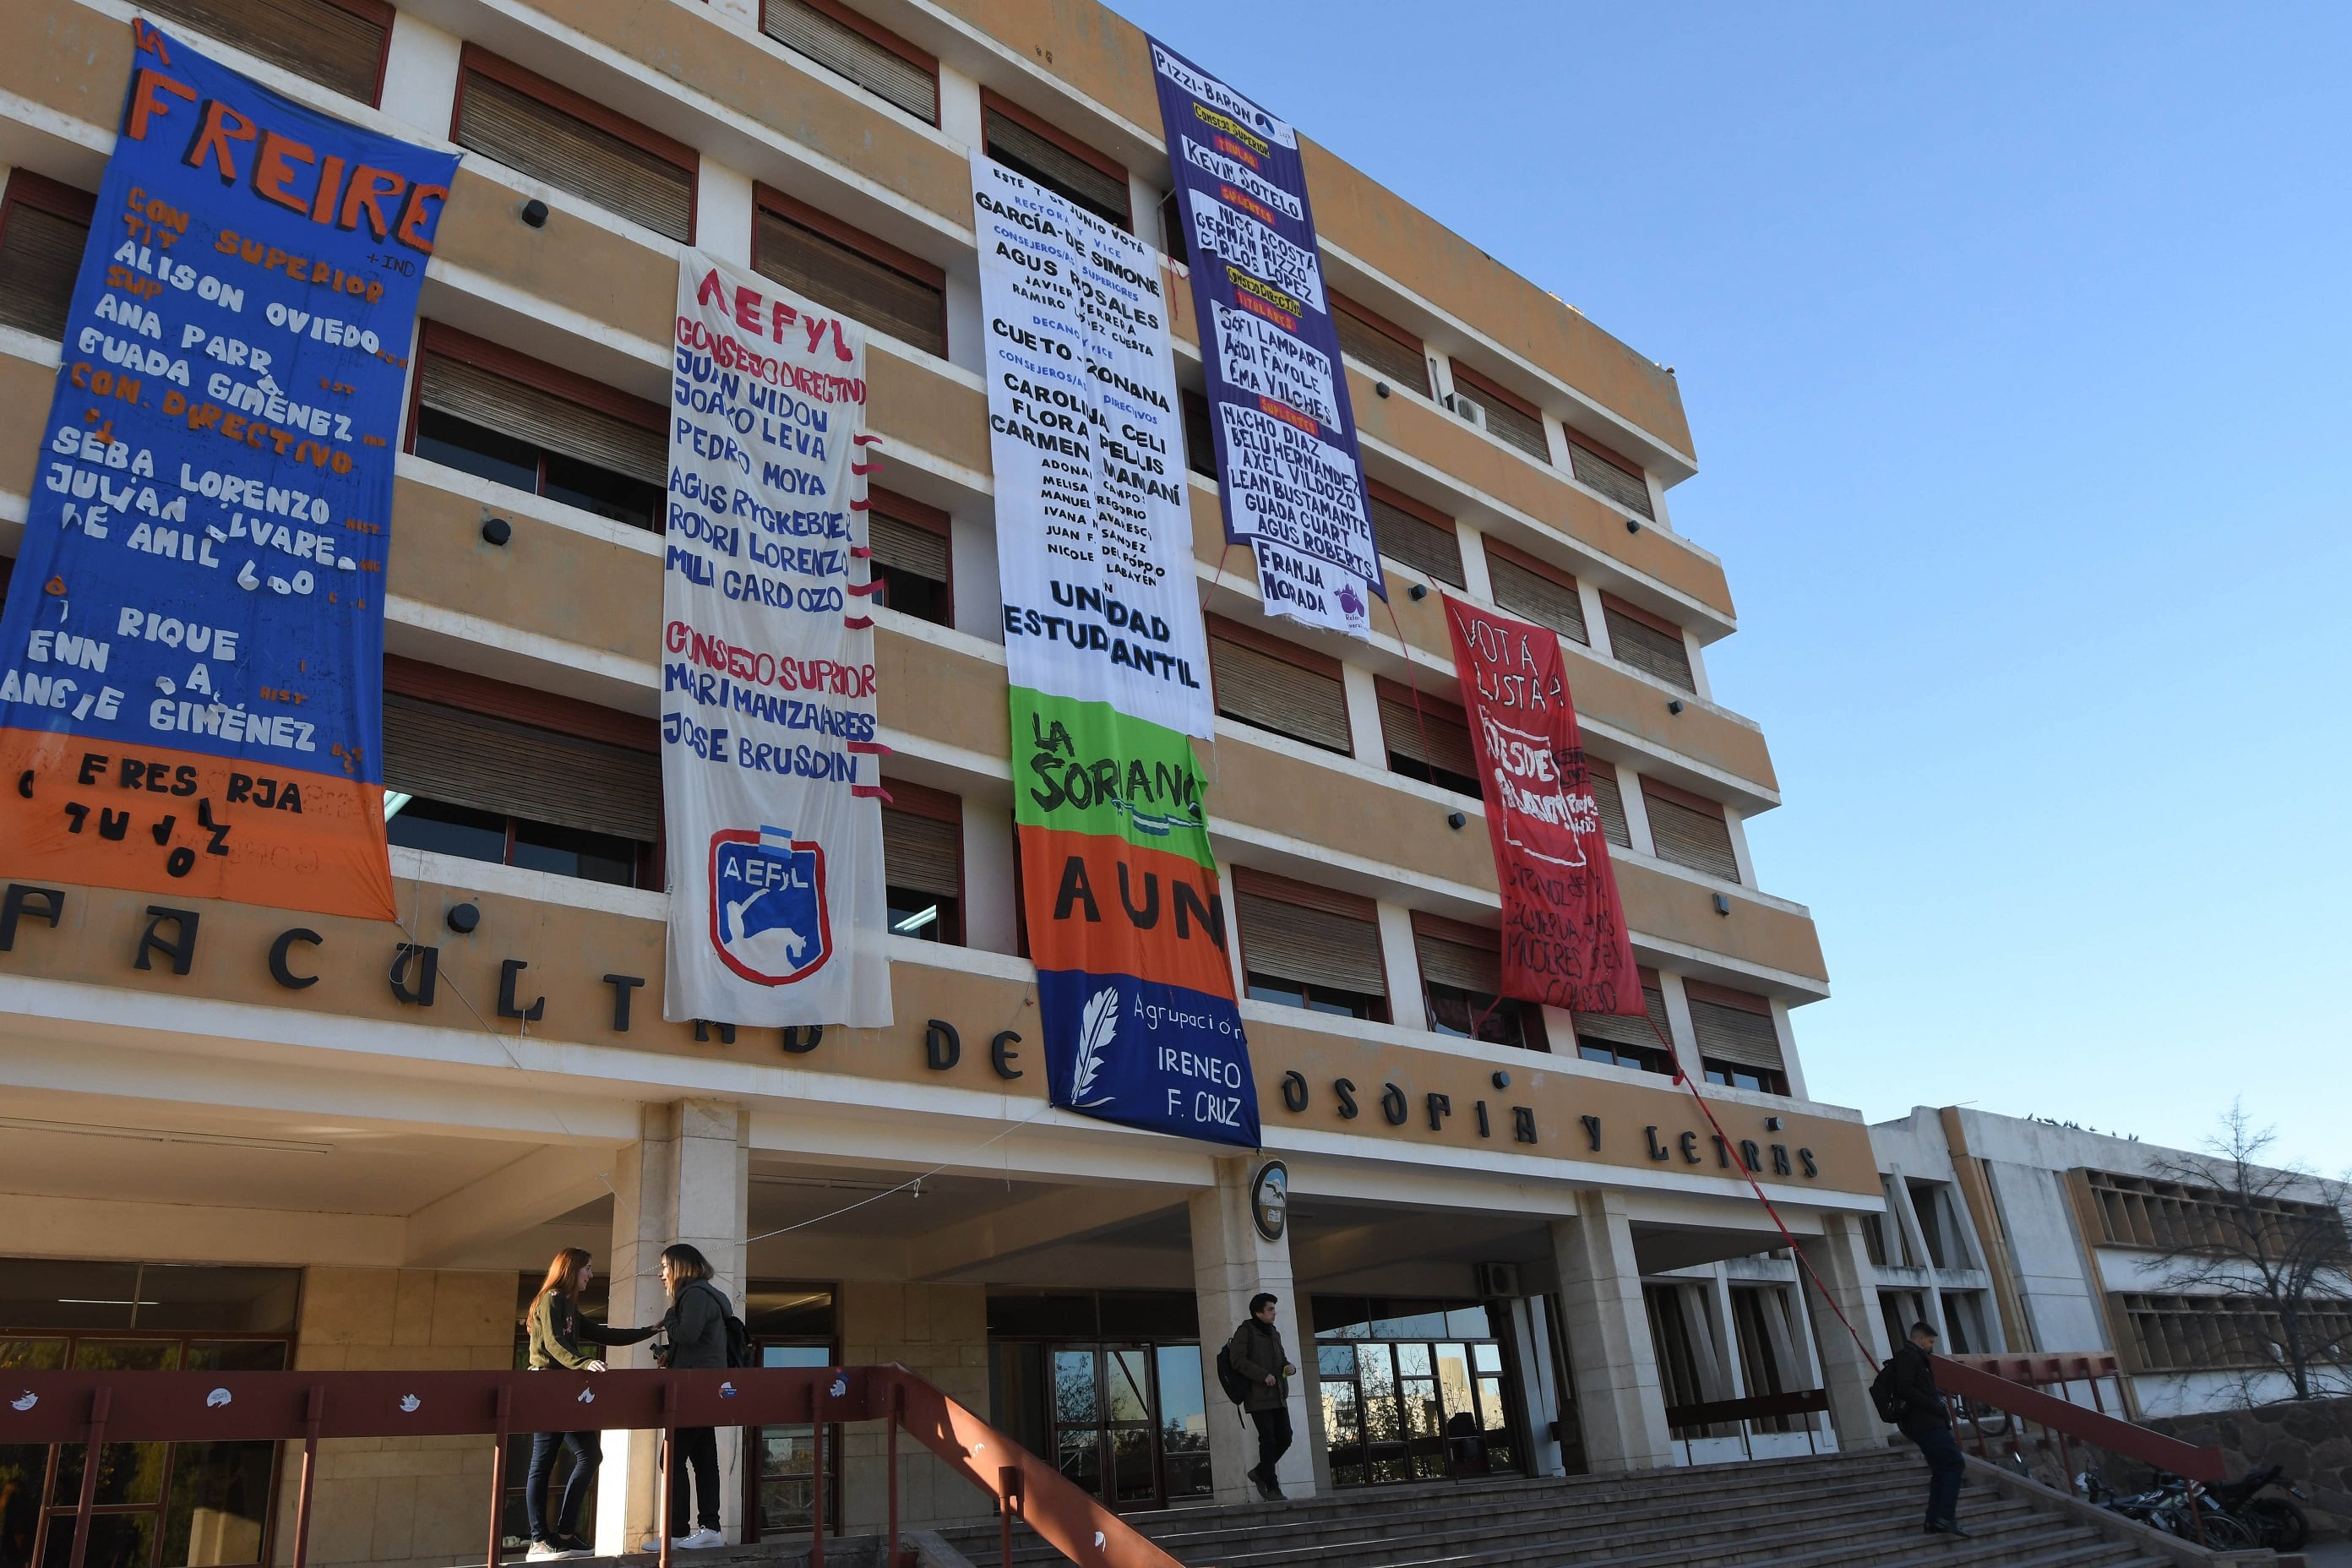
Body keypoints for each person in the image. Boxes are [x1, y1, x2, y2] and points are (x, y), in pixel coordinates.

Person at [523, 1247, 656, 1560]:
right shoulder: (552, 1299)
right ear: (572, 1269)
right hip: (549, 1390)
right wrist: (582, 1363)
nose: (591, 1275)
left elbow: (601, 1334)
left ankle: (565, 1534)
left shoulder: (567, 1304)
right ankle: (538, 1540)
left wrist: (648, 1331)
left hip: (566, 1393)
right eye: (588, 1268)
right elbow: (554, 1343)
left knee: (590, 1455)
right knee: (542, 1464)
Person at [646, 1244, 730, 1550]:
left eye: (666, 1267)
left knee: (670, 1458)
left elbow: (689, 1333)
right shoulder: (705, 1294)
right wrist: (671, 1354)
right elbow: (697, 1341)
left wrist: (669, 1319)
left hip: (695, 1389)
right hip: (706, 1387)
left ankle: (678, 1532)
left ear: (680, 1268)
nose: (661, 1274)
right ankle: (709, 1528)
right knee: (704, 1460)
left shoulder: (694, 1295)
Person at [1891, 1320, 1968, 1537]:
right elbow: (1905, 1388)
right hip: (1924, 1423)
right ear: (1921, 1339)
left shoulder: (1917, 1358)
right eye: (1931, 1341)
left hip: (1927, 1422)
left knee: (1942, 1470)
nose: (1931, 1346)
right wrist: (1934, 1405)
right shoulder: (1909, 1357)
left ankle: (1934, 1520)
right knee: (1954, 1463)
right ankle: (1945, 1517)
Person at [1226, 1293, 1296, 1501]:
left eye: (1274, 1308)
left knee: (1286, 1437)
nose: (1274, 1313)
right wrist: (1262, 1375)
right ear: (1258, 1312)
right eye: (1270, 1309)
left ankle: (1259, 1472)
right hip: (1257, 1397)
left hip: (1278, 1395)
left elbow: (1281, 1358)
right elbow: (1237, 1360)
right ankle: (1272, 1487)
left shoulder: (1274, 1333)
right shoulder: (1245, 1332)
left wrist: (1288, 1367)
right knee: (1269, 1440)